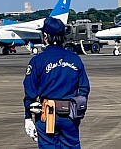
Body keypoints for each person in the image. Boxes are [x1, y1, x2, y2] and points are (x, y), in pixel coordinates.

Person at [23, 17, 90, 149]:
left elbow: (30, 91)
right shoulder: (75, 59)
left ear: (46, 36)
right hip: (70, 114)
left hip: (47, 114)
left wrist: (28, 116)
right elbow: (84, 88)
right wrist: (79, 110)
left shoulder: (38, 61)